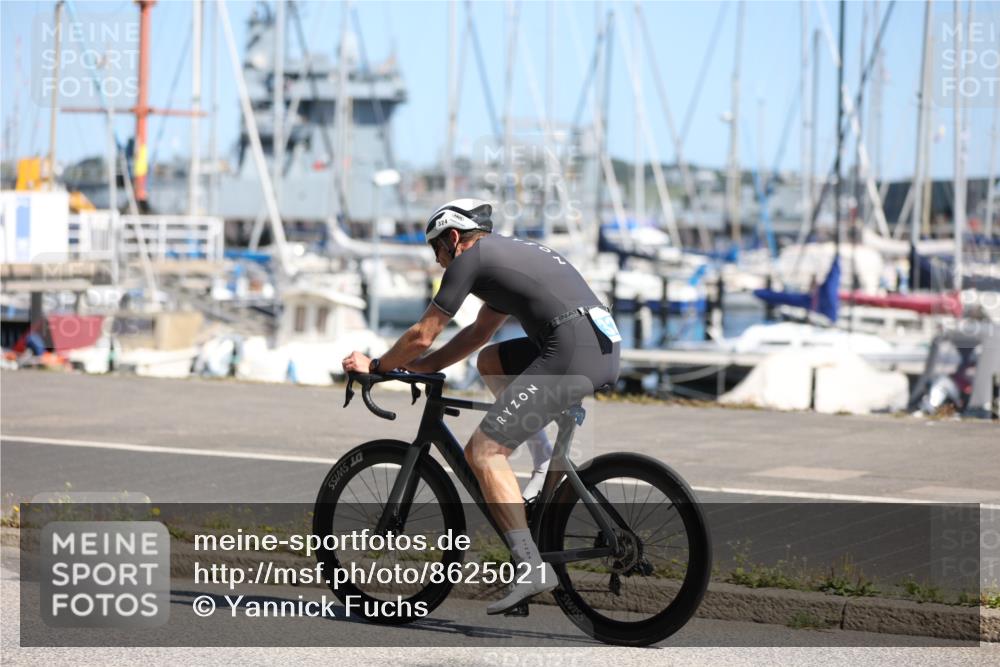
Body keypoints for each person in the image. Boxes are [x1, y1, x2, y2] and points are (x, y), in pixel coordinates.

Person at [342, 198, 621, 614]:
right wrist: (421, 368)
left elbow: (423, 333)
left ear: (454, 238)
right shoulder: (505, 258)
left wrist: (379, 365)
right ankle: (544, 459)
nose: (439, 262)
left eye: (437, 249)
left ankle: (531, 568)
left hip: (570, 350)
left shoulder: (469, 262)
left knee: (483, 451)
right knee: (490, 360)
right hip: (596, 343)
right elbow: (477, 334)